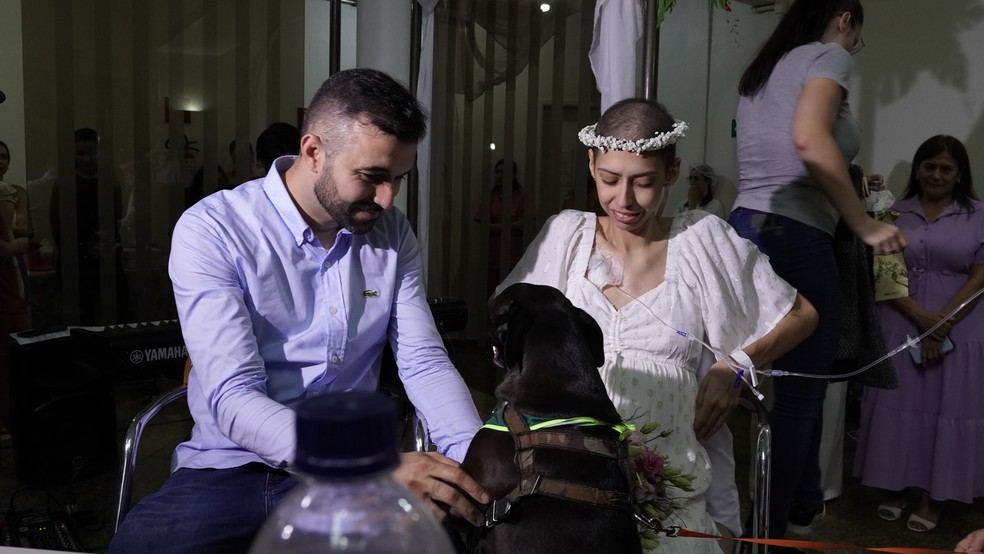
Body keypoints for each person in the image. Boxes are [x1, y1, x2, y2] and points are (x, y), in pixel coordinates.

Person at [108, 68, 488, 553]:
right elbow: (234, 398)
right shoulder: (213, 229)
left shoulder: (393, 233)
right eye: (372, 177)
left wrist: (476, 464)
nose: (388, 198)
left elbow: (424, 363)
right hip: (232, 471)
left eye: (399, 179)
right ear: (313, 152)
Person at [496, 98, 818, 554]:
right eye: (610, 180)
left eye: (643, 183)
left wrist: (736, 365)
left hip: (665, 490)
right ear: (591, 164)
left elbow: (802, 314)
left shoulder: (702, 240)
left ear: (672, 173)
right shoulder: (566, 236)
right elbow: (506, 319)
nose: (624, 200)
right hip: (566, 481)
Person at [730, 0, 907, 539]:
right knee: (804, 392)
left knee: (771, 387)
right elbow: (809, 139)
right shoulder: (828, 54)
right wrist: (863, 223)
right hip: (797, 236)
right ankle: (769, 536)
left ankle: (799, 497)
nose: (854, 47)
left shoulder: (767, 65)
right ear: (845, 18)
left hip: (746, 228)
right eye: (858, 36)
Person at [853, 135, 984, 533]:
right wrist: (921, 319)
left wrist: (942, 323)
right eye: (930, 166)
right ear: (918, 170)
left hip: (962, 324)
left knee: (949, 410)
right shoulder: (893, 213)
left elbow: (981, 275)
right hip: (900, 322)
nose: (937, 174)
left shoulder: (978, 214)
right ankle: (894, 486)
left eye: (947, 168)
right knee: (901, 407)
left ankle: (935, 496)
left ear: (960, 173)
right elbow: (885, 272)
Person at [49, 128, 129, 325]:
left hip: (105, 257)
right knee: (80, 318)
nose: (86, 159)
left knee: (116, 313)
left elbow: (118, 220)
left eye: (91, 153)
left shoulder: (111, 183)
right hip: (75, 259)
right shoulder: (64, 184)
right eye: (81, 153)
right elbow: (57, 226)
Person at [474, 159, 526, 297]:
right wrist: (510, 226)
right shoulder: (490, 197)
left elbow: (523, 226)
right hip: (492, 258)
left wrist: (497, 227)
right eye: (497, 172)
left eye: (504, 172)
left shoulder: (521, 197)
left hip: (514, 258)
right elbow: (484, 226)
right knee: (492, 298)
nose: (500, 175)